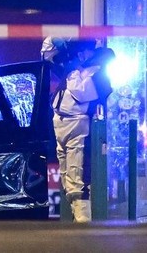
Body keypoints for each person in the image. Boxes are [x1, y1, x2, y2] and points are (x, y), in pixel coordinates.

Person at [41, 37, 114, 222]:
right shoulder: (74, 65)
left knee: (77, 175)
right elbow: (47, 54)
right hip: (60, 124)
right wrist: (58, 40)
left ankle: (83, 221)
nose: (80, 54)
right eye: (78, 50)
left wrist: (73, 68)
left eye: (84, 50)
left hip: (78, 125)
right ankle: (78, 218)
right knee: (66, 176)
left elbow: (81, 93)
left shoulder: (96, 71)